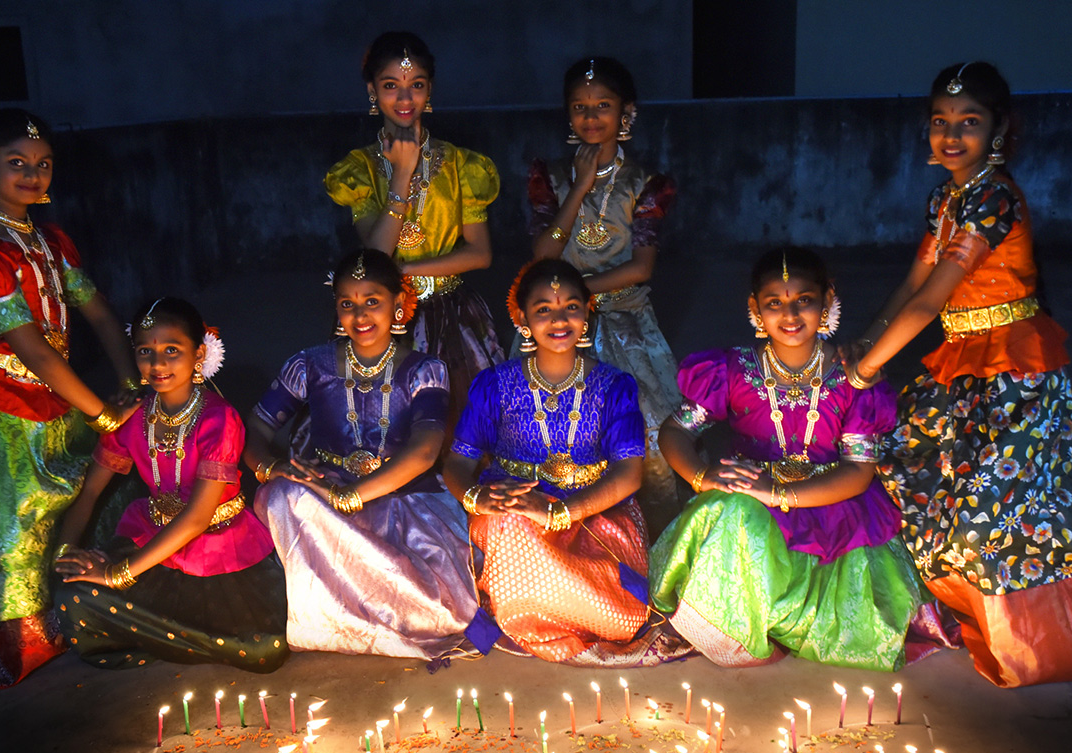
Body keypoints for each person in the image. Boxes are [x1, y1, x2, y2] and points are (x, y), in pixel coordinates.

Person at [846, 62, 1072, 687]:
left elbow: (929, 302)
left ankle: (1035, 641)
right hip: (963, 359)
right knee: (909, 462)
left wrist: (865, 369)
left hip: (1015, 368)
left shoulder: (994, 197)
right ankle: (951, 607)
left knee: (1001, 511)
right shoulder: (945, 198)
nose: (951, 135)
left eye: (969, 122)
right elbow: (912, 284)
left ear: (998, 129)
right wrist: (864, 342)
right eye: (940, 121)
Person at [649, 248, 931, 671]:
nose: (790, 314)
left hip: (834, 507)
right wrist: (702, 477)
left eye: (804, 300)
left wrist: (779, 493)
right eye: (774, 303)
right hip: (751, 511)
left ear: (828, 300)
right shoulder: (734, 370)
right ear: (755, 308)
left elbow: (858, 473)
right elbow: (675, 431)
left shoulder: (854, 375)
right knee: (734, 511)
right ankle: (728, 628)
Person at [0, 108, 140, 689]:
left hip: (59, 399)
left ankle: (85, 603)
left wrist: (133, 387)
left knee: (93, 495)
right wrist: (105, 415)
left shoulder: (50, 241)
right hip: (0, 409)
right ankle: (19, 639)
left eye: (43, 164)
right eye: (17, 163)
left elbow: (99, 314)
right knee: (14, 526)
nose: (32, 174)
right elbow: (35, 352)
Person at [445, 258, 691, 666]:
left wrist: (559, 512)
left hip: (595, 514)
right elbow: (457, 463)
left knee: (622, 617)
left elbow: (629, 474)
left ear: (587, 313)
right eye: (544, 309)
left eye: (571, 307)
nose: (559, 320)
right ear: (522, 319)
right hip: (513, 516)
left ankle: (577, 608)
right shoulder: (494, 385)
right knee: (511, 523)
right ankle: (530, 618)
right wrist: (477, 498)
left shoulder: (614, 386)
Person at [246, 249, 478, 658]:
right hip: (329, 499)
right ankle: (328, 617)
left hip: (407, 501)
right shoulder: (310, 364)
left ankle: (360, 613)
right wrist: (271, 466)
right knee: (284, 495)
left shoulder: (425, 369)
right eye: (347, 304)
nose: (360, 315)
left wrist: (352, 496)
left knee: (441, 612)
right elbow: (257, 427)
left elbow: (425, 452)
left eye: (373, 301)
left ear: (399, 304)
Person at [53, 297, 288, 672]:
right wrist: (65, 555)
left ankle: (161, 637)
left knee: (263, 649)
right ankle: (179, 639)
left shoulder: (219, 419)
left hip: (221, 547)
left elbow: (197, 519)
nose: (157, 364)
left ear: (199, 354)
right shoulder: (132, 416)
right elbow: (91, 491)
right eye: (145, 351)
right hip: (150, 537)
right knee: (71, 597)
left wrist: (116, 574)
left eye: (172, 350)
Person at [529, 56, 681, 534]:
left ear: (626, 112)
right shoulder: (550, 178)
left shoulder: (646, 184)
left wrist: (574, 294)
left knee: (643, 430)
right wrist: (579, 187)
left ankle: (644, 535)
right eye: (580, 106)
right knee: (550, 433)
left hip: (624, 322)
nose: (591, 117)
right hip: (558, 327)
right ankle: (562, 533)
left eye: (603, 106)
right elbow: (543, 256)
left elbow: (641, 267)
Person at [325, 31, 503, 432]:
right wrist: (402, 173)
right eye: (391, 86)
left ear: (430, 90)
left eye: (416, 85)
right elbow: (377, 255)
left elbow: (480, 254)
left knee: (461, 428)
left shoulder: (461, 164)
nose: (405, 99)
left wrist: (405, 273)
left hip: (451, 314)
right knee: (384, 429)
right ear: (372, 91)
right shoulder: (359, 169)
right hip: (381, 317)